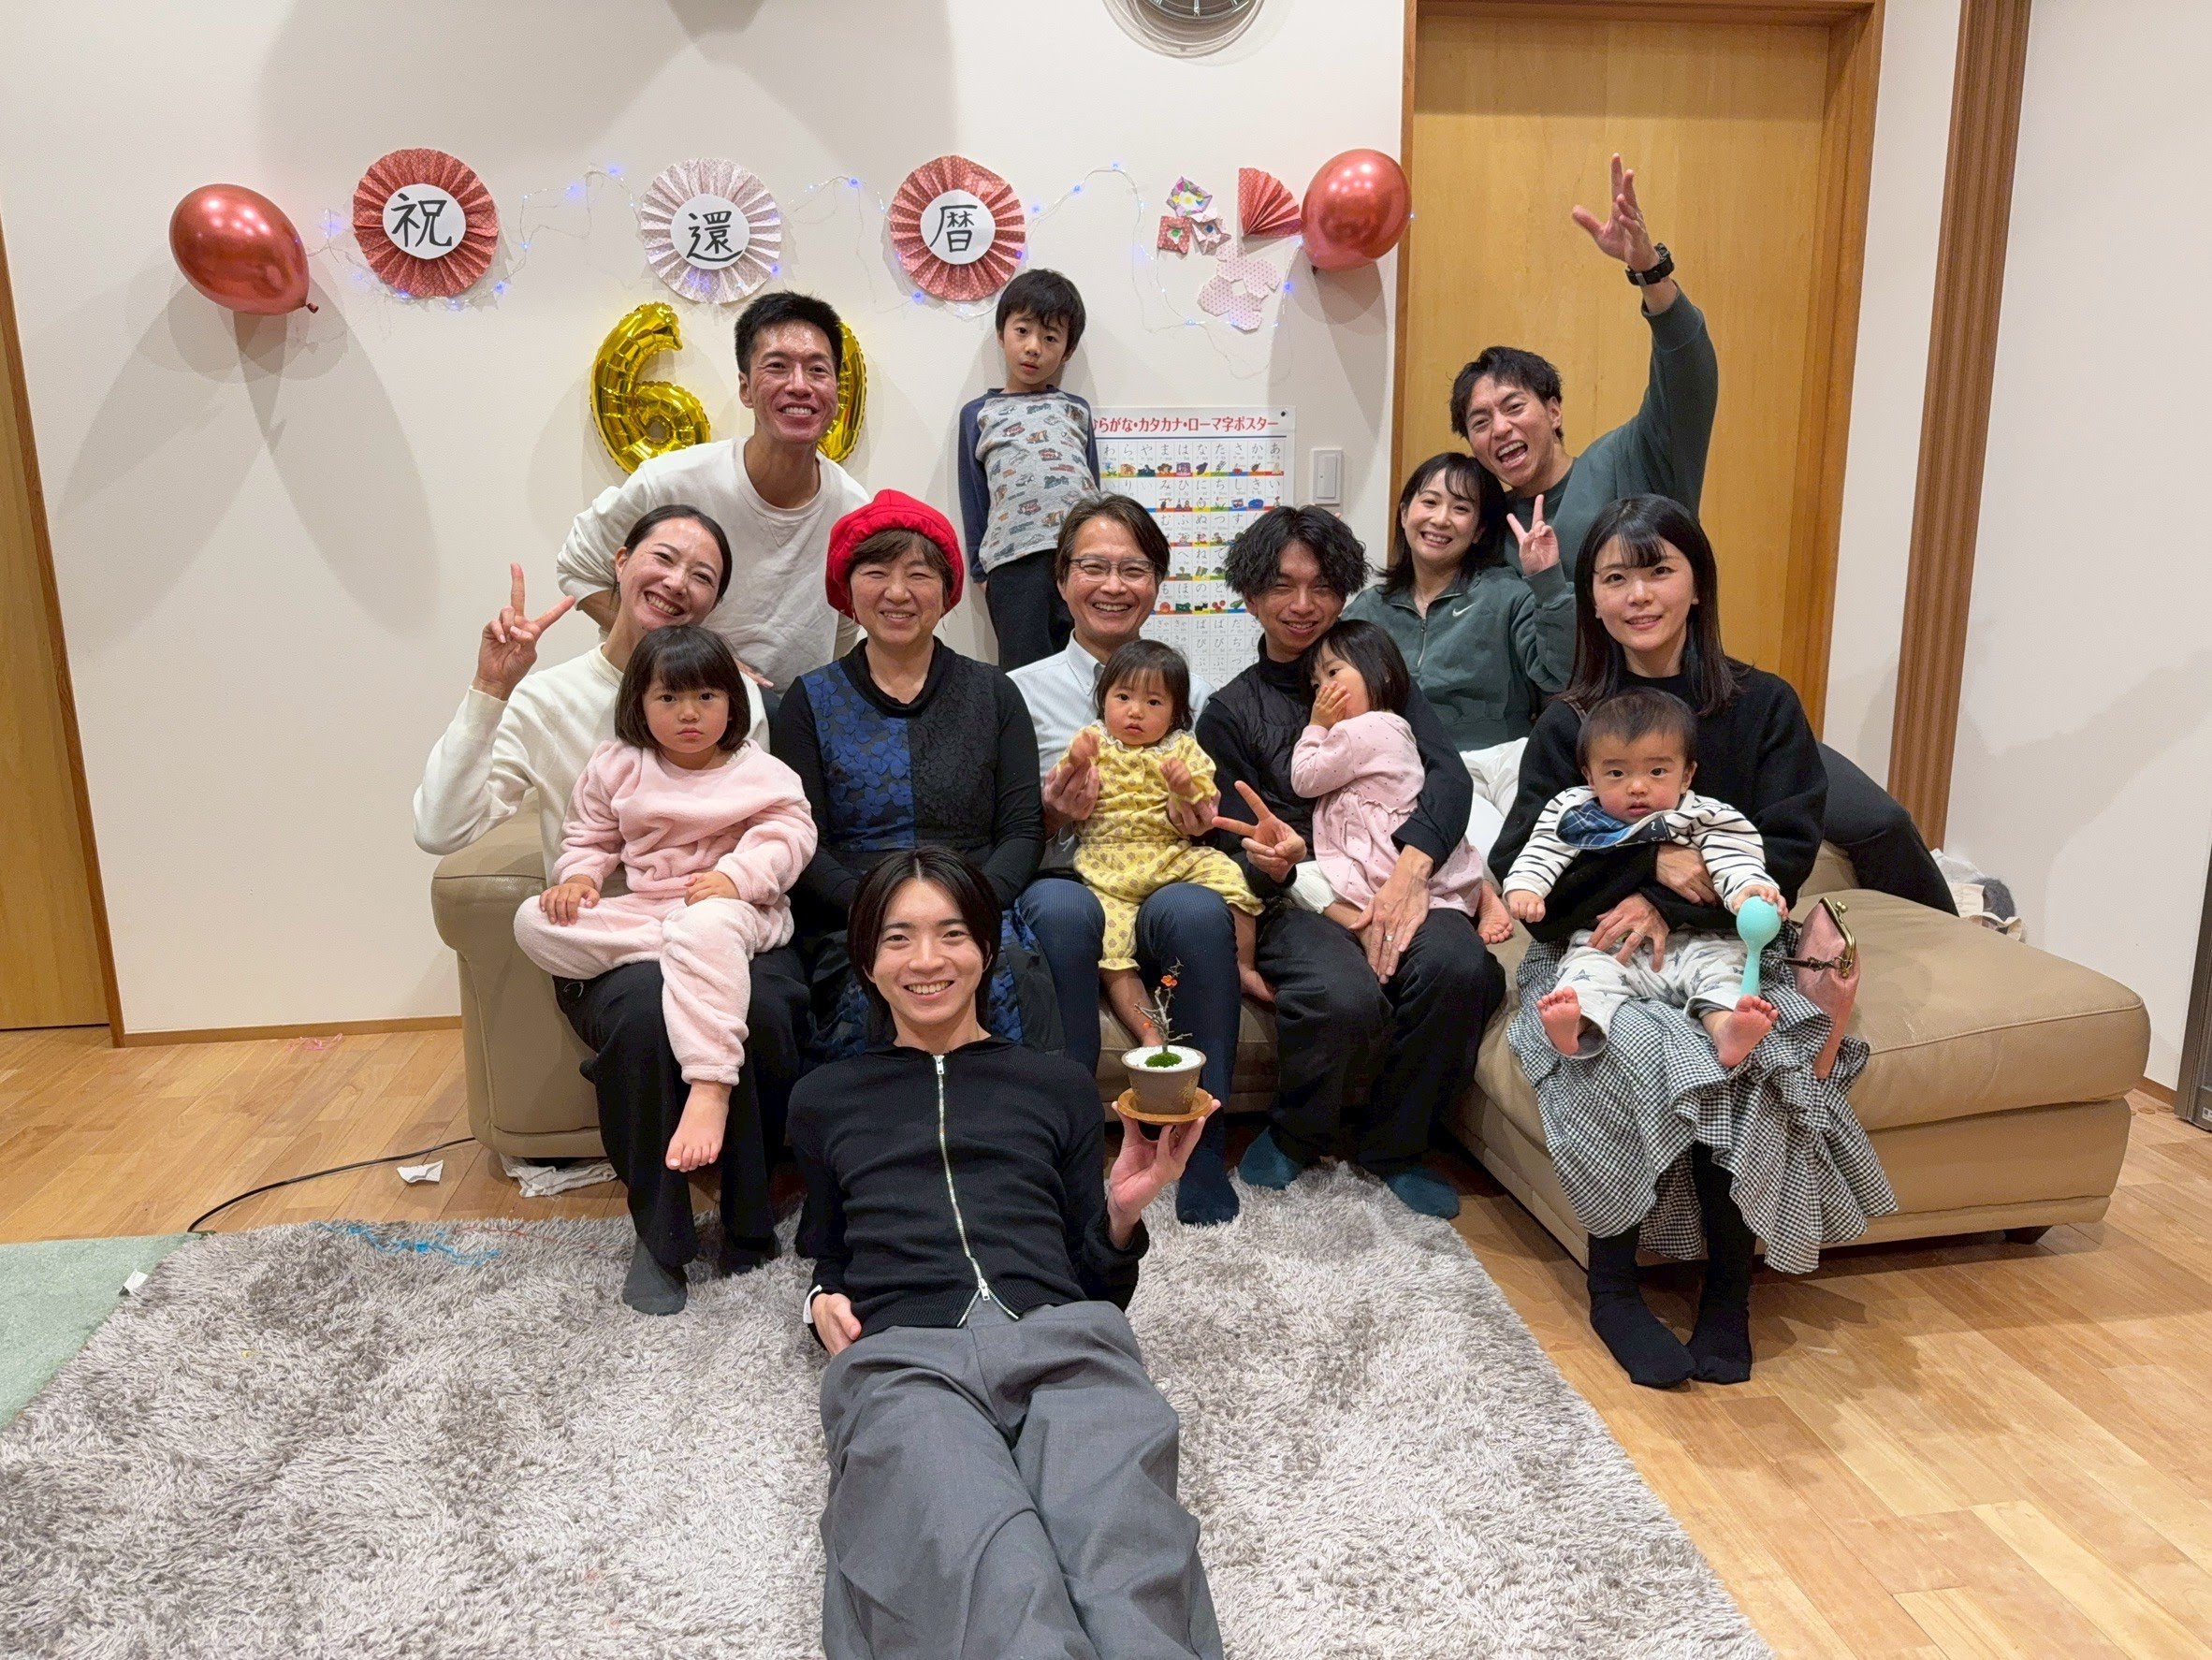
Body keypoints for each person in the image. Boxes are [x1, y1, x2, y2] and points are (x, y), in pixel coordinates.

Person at [1451, 155, 1956, 912]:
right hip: (1602, 735)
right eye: (1479, 421)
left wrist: (1650, 273)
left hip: (1705, 706)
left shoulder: (1632, 459)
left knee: (1877, 821)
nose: (1499, 428)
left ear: (1553, 409)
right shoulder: (1492, 534)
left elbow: (1688, 378)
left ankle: (1956, 928)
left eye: (1513, 406)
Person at [1491, 495, 1893, 1390]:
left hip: (1728, 944)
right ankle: (1613, 1287)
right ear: (1592, 600)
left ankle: (1727, 1294)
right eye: (1615, 577)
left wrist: (1674, 898)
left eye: (1658, 570)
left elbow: (1784, 852)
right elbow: (1529, 868)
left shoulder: (1764, 707)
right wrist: (1648, 869)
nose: (1638, 595)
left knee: (1744, 1045)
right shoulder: (1569, 721)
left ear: (1697, 584)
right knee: (1621, 1044)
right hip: (1596, 947)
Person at [792, 848, 1223, 1659]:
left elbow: (1093, 1281)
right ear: (867, 960)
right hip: (907, 1358)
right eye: (898, 938)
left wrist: (1122, 1212)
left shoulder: (1056, 1085)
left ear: (987, 949)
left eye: (952, 933)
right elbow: (830, 1245)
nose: (927, 960)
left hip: (1065, 1342)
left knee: (1124, 1562)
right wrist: (821, 1298)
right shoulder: (824, 1100)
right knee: (987, 1567)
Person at [413, 506, 810, 1313]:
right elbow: (442, 829)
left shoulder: (737, 700)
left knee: (768, 1007)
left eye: (703, 575)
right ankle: (660, 1238)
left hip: (724, 917)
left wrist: (736, 881)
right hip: (623, 935)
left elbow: (773, 824)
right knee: (640, 1011)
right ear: (621, 562)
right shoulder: (552, 701)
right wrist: (492, 688)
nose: (679, 582)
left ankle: (747, 1218)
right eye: (664, 558)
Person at [1198, 505, 1506, 1219]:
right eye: (1282, 586)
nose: (1302, 605)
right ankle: (1298, 1131)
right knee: (1342, 994)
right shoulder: (1231, 712)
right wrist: (1272, 861)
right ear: (1250, 595)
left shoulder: (1377, 675)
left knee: (1459, 967)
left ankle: (1397, 1145)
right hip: (1300, 896)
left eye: (1322, 587)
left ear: (1343, 593)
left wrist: (1410, 874)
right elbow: (1226, 839)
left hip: (1401, 873)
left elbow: (1448, 778)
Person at [513, 626, 816, 1210]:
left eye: (706, 696)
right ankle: (682, 952)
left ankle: (711, 1082)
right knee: (532, 920)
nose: (689, 713)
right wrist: (579, 880)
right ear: (639, 703)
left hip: (734, 909)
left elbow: (790, 836)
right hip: (650, 913)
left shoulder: (759, 771)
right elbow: (589, 835)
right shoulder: (619, 764)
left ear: (732, 701)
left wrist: (736, 878)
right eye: (669, 697)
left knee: (704, 927)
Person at [1011, 495, 1245, 1227]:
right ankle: (1071, 1149)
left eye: (1134, 569)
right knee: (1059, 909)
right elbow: (1007, 825)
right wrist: (1056, 813)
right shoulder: (1018, 692)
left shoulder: (1194, 692)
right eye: (1094, 566)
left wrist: (1196, 816)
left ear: (1157, 583)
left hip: (1164, 871)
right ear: (1062, 580)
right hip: (1071, 873)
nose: (1113, 585)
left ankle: (1199, 1147)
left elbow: (1207, 809)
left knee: (1199, 910)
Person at [770, 489, 1057, 1062]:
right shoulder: (809, 699)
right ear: (847, 589)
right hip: (857, 914)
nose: (898, 592)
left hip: (975, 908)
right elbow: (801, 840)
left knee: (1009, 975)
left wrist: (965, 912)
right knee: (862, 990)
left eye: (919, 575)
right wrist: (881, 913)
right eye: (876, 573)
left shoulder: (995, 693)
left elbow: (1022, 831)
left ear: (946, 593)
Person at [556, 289, 869, 691]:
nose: (799, 386)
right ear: (746, 388)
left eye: (817, 370)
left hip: (793, 714)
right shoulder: (674, 480)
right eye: (777, 366)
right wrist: (692, 660)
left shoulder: (853, 511)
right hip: (671, 705)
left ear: (837, 391)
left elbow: (845, 628)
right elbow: (579, 569)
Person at [1501, 686, 1783, 1067]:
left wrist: (1749, 889)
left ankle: (1727, 1030)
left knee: (1723, 974)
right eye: (1616, 773)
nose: (1637, 786)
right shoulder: (1577, 814)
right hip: (1610, 942)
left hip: (1697, 940)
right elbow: (1541, 850)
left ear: (1686, 776)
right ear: (1590, 776)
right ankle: (1574, 1025)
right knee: (1585, 973)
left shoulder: (1703, 815)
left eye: (1657, 771)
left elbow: (1734, 857)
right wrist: (1526, 886)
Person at [1345, 452, 1572, 852]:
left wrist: (1547, 581)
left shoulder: (1508, 594)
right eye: (1430, 501)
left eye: (1461, 508)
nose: (1441, 519)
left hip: (1504, 760)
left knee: (1543, 846)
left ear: (1480, 530)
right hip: (1411, 771)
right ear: (1404, 513)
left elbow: (1559, 675)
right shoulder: (1368, 610)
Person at [1058, 638, 1265, 1044]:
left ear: (1175, 713)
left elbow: (1204, 804)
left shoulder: (1181, 747)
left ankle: (1241, 966)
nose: (1135, 711)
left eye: (1154, 702)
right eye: (1123, 697)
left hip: (1171, 856)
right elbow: (1065, 787)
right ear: (1103, 699)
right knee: (1112, 955)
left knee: (1231, 876)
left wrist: (1185, 787)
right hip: (1107, 869)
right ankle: (1149, 1033)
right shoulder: (1093, 741)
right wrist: (1076, 760)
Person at [1291, 619, 1509, 944]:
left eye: (1333, 673)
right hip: (1406, 841)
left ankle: (1368, 927)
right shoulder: (1396, 722)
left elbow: (1304, 778)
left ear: (1382, 671)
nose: (1324, 690)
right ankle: (1476, 892)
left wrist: (1316, 725)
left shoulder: (1355, 732)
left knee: (1297, 879)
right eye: (1316, 685)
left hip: (1384, 853)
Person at [958, 268, 1100, 668]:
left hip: (1081, 562)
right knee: (1024, 677)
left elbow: (1094, 487)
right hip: (1013, 566)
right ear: (1001, 333)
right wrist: (981, 572)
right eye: (1022, 331)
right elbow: (974, 497)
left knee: (1092, 669)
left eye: (1050, 337)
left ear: (1068, 350)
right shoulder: (979, 414)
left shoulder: (1076, 409)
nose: (1034, 347)